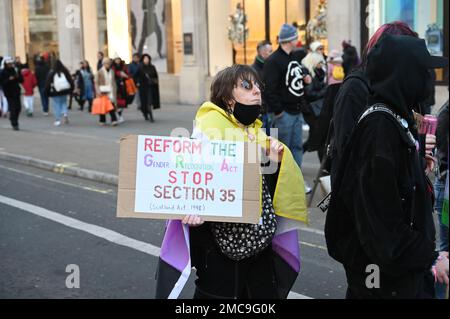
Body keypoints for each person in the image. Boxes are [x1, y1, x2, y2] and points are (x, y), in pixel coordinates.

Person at [155, 65, 308, 299]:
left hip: (260, 245)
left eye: (258, 85)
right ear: (227, 98)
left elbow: (268, 193)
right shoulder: (209, 131)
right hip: (220, 252)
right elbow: (192, 184)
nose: (256, 90)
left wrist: (276, 163)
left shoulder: (257, 132)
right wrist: (192, 211)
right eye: (247, 85)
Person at [325, 34, 449, 299]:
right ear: (405, 75)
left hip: (397, 275)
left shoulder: (393, 118)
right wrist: (431, 257)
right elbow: (381, 225)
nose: (429, 79)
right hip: (383, 281)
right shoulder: (379, 129)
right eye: (423, 71)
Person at [330, 21, 420, 184]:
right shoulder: (355, 87)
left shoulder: (395, 88)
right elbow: (349, 150)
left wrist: (416, 153)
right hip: (361, 195)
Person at [263, 24, 312, 176]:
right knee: (282, 151)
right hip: (284, 114)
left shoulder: (293, 57)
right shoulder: (273, 61)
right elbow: (269, 89)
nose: (297, 39)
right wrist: (279, 112)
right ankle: (281, 184)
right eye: (295, 36)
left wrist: (305, 77)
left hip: (296, 111)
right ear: (289, 40)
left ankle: (295, 181)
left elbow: (297, 73)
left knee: (297, 148)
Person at [435, 97, 449, 299]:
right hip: (447, 190)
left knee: (444, 251)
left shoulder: (445, 110)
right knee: (445, 254)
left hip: (443, 186)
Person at [251, 40, 273, 132]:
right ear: (261, 52)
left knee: (273, 141)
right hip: (261, 114)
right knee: (259, 143)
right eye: (270, 51)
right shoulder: (252, 70)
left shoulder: (271, 66)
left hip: (272, 112)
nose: (272, 54)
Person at [45, 60, 74, 127]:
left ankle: (57, 120)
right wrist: (71, 89)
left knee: (57, 105)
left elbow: (48, 83)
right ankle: (65, 113)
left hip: (55, 92)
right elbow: (70, 80)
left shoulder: (52, 72)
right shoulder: (65, 71)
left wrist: (47, 92)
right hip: (64, 90)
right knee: (64, 102)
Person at [0, 56, 23, 130]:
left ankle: (13, 118)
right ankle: (14, 123)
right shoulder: (2, 72)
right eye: (8, 64)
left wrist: (17, 76)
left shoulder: (15, 70)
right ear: (5, 64)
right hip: (9, 92)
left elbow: (21, 80)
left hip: (16, 91)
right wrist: (9, 79)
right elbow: (2, 83)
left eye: (11, 63)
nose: (10, 65)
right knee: (13, 107)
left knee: (18, 108)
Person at [95, 58, 118, 126]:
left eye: (109, 63)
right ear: (103, 64)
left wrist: (115, 89)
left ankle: (114, 120)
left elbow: (113, 81)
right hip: (102, 91)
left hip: (111, 90)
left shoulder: (112, 71)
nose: (108, 65)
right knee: (102, 106)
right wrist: (98, 91)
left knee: (111, 105)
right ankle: (102, 120)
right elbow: (96, 82)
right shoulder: (100, 71)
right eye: (106, 63)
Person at [136, 54, 160, 122]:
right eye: (145, 59)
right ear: (143, 60)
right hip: (143, 87)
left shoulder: (152, 67)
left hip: (150, 86)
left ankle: (151, 116)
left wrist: (154, 81)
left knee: (149, 102)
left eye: (147, 59)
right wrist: (138, 82)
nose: (146, 60)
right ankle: (145, 113)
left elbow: (155, 76)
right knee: (144, 102)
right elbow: (136, 76)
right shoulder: (140, 67)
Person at [112, 57, 130, 123]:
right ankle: (118, 116)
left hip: (123, 86)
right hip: (116, 86)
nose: (118, 61)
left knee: (122, 102)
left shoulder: (124, 66)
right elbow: (112, 75)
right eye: (116, 60)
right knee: (117, 102)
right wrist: (119, 73)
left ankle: (119, 115)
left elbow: (128, 75)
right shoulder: (113, 67)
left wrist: (125, 75)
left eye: (118, 59)